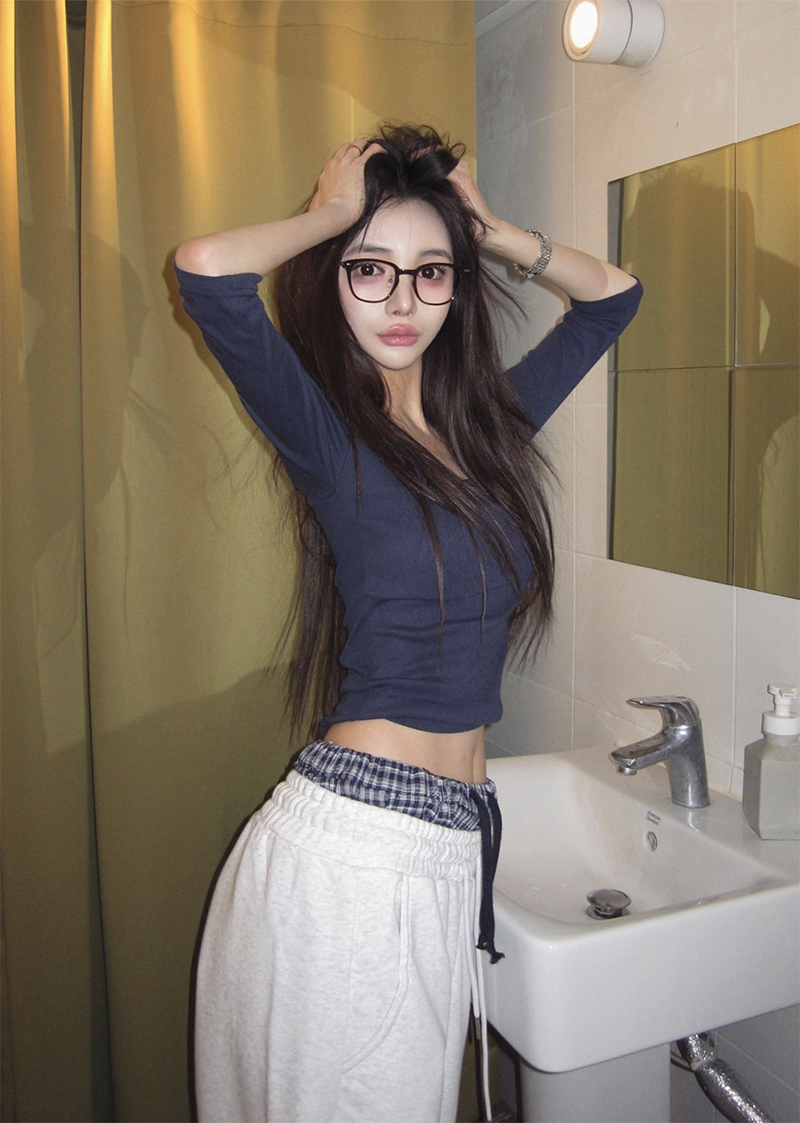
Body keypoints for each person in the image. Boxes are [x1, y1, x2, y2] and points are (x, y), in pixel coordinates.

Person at [174, 124, 641, 1123]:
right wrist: (332, 214)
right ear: (332, 279)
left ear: (457, 289)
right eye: (368, 269)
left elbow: (614, 298)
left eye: (430, 273)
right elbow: (206, 270)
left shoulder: (490, 428)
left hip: (433, 846)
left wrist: (489, 231)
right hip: (354, 857)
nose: (400, 301)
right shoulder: (329, 434)